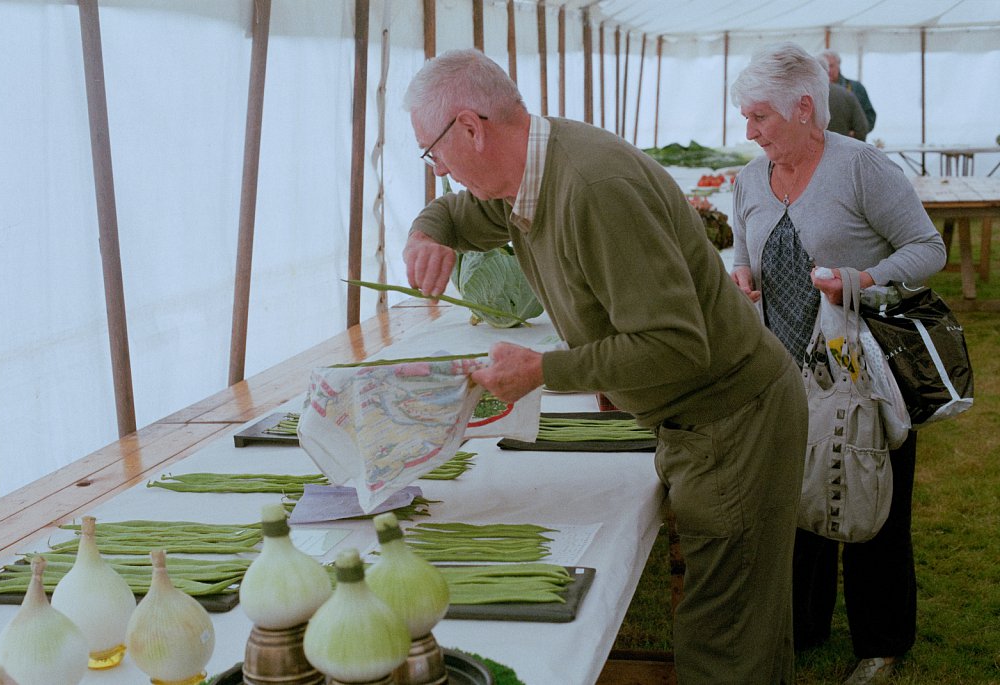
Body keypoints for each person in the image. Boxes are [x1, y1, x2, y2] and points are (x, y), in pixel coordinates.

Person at [401, 48, 807, 685]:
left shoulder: (593, 188)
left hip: (731, 418)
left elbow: (675, 344)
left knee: (725, 639)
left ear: (471, 128)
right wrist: (425, 234)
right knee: (734, 620)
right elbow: (457, 215)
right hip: (700, 418)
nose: (439, 173)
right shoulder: (525, 175)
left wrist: (543, 370)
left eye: (433, 153)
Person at [729, 43, 946, 685]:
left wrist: (866, 277)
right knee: (797, 500)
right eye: (745, 118)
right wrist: (744, 275)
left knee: (873, 500)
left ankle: (881, 641)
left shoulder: (861, 168)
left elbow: (927, 247)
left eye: (759, 117)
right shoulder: (748, 177)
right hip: (784, 373)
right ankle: (805, 624)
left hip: (864, 372)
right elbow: (745, 249)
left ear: (803, 108)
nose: (749, 131)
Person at [820, 49, 876, 133]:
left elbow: (870, 116)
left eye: (831, 66)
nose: (828, 70)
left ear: (838, 66)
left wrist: (857, 134)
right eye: (824, 67)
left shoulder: (856, 88)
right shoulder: (814, 91)